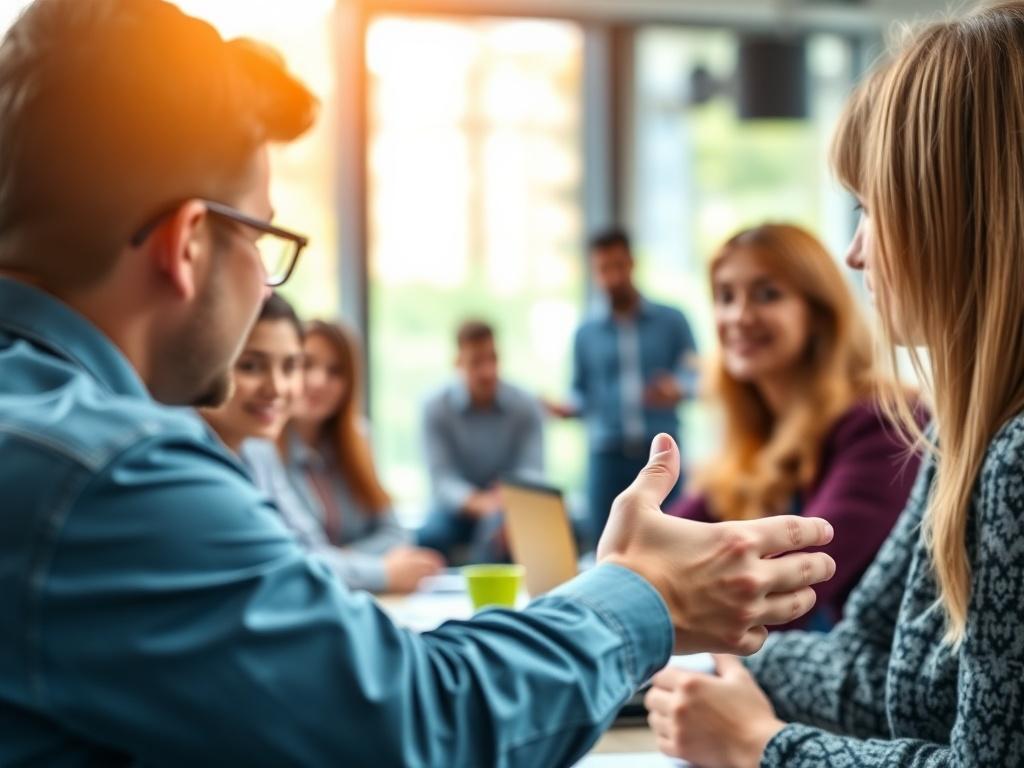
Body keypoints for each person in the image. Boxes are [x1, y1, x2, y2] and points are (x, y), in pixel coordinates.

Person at [0, 1, 837, 764]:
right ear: (186, 245)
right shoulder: (110, 472)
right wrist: (643, 597)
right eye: (261, 235)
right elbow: (410, 725)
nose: (264, 281)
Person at [646, 4, 1024, 765]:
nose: (857, 252)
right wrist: (646, 644)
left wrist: (763, 748)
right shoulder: (964, 434)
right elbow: (862, 661)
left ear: (953, 216)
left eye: (872, 210)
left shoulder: (966, 444)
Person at [667, 223, 922, 630]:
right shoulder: (757, 435)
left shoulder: (884, 423)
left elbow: (795, 579)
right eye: (725, 296)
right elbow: (672, 535)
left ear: (819, 314)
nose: (739, 316)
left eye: (767, 295)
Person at [203, 296, 444, 594]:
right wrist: (372, 570)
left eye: (290, 366)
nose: (277, 387)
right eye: (251, 366)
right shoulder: (256, 444)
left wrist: (339, 561)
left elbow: (311, 550)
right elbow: (292, 562)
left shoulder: (259, 449)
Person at [546, 228, 699, 542]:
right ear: (594, 272)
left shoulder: (673, 321)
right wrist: (567, 407)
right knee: (605, 544)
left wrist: (678, 388)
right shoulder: (585, 333)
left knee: (672, 540)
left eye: (618, 266)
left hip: (661, 451)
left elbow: (695, 376)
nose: (612, 277)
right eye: (604, 269)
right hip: (607, 455)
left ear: (631, 263)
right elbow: (580, 392)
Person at [417, 319, 545, 563]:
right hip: (456, 509)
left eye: (493, 359)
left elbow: (532, 471)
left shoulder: (526, 405)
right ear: (458, 363)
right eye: (476, 362)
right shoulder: (435, 407)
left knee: (496, 532)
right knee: (430, 537)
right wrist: (480, 503)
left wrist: (506, 503)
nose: (487, 371)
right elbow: (442, 480)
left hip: (509, 506)